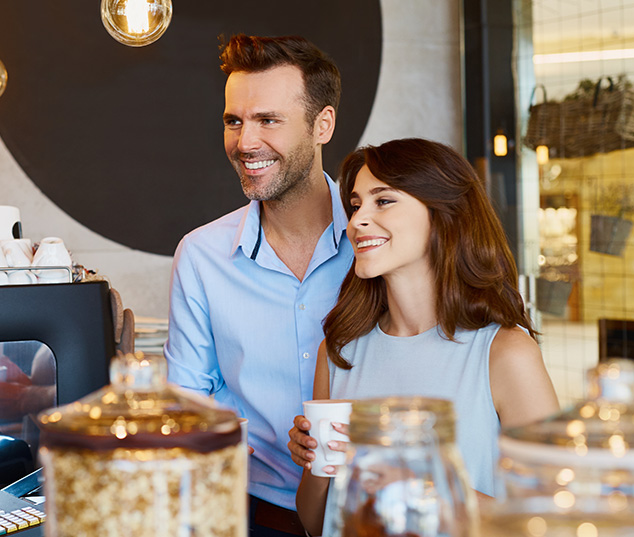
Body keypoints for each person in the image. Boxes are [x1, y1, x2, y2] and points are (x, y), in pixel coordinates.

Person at [286, 138, 560, 536]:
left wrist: (415, 480)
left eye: (383, 201)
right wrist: (319, 463)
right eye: (356, 204)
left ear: (444, 214)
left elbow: (549, 520)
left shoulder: (504, 353)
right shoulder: (339, 350)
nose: (357, 220)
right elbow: (316, 523)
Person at [164, 34, 350, 536]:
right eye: (234, 121)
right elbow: (189, 402)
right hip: (255, 516)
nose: (245, 142)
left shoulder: (377, 243)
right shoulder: (201, 255)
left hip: (375, 509)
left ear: (322, 125)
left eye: (268, 120)